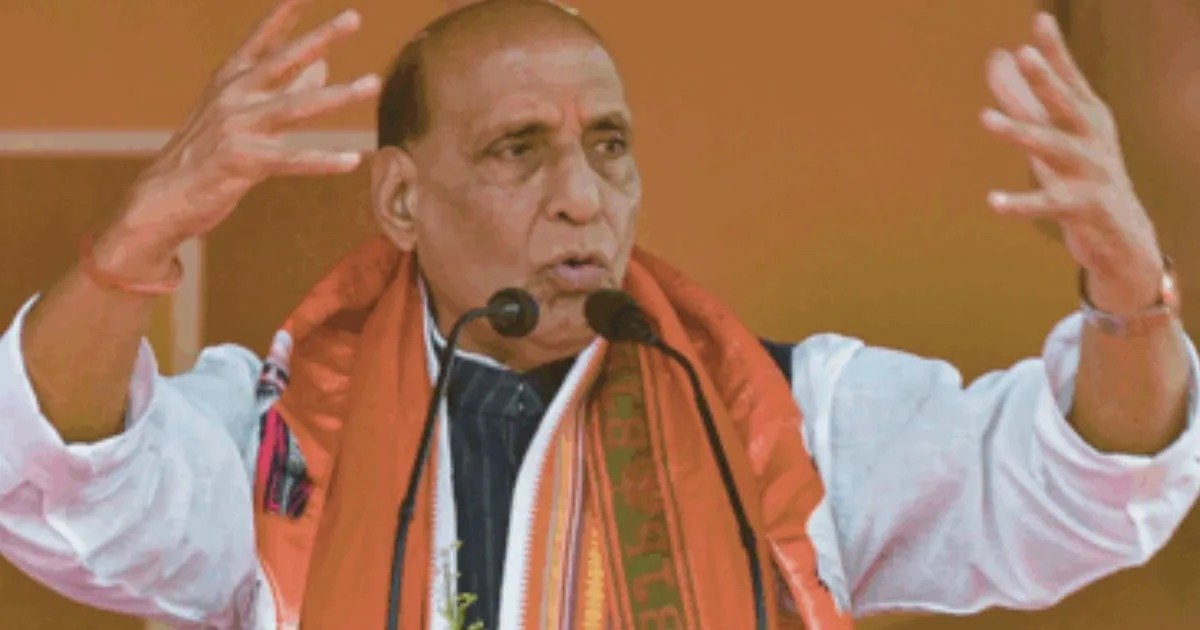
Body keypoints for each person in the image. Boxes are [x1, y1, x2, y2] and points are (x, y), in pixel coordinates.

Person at [2, 0, 1198, 628]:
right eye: (519, 149)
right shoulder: (276, 435)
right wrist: (139, 237)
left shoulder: (778, 415)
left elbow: (1084, 489)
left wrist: (1130, 299)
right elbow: (54, 481)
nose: (583, 196)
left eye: (609, 146)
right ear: (402, 200)